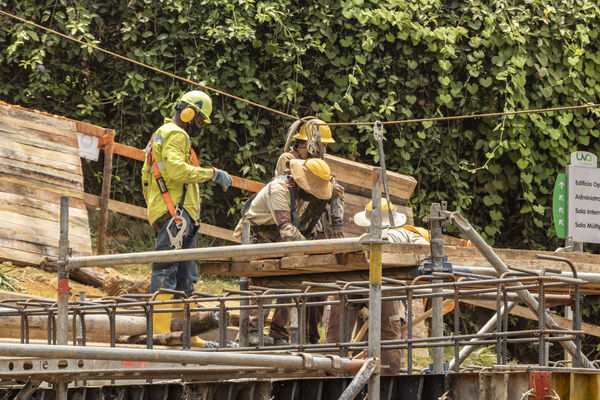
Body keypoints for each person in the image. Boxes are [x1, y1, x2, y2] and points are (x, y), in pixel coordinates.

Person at [141, 90, 233, 334]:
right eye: (200, 120)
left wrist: (157, 209)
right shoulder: (176, 135)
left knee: (185, 276)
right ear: (189, 113)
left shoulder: (159, 136)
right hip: (176, 215)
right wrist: (211, 173)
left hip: (175, 215)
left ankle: (182, 334)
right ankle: (160, 333)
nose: (200, 125)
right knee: (166, 272)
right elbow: (177, 172)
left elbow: (145, 178)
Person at [233, 158, 333, 345]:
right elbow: (286, 228)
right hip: (259, 236)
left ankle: (279, 333)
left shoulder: (302, 196)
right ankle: (251, 330)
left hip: (282, 239)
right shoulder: (279, 189)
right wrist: (311, 251)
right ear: (303, 184)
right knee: (261, 280)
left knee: (289, 281)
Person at [324, 198, 429, 375]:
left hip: (350, 283)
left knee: (337, 337)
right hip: (383, 285)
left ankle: (330, 372)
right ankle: (387, 382)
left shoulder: (363, 239)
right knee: (388, 338)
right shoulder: (409, 235)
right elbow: (429, 250)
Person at [274, 119, 344, 344]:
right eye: (324, 145)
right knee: (287, 280)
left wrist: (337, 225)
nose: (326, 150)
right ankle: (278, 333)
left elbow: (336, 192)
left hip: (317, 228)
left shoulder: (320, 164)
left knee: (319, 285)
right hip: (292, 227)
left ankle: (310, 337)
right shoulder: (288, 160)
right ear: (312, 143)